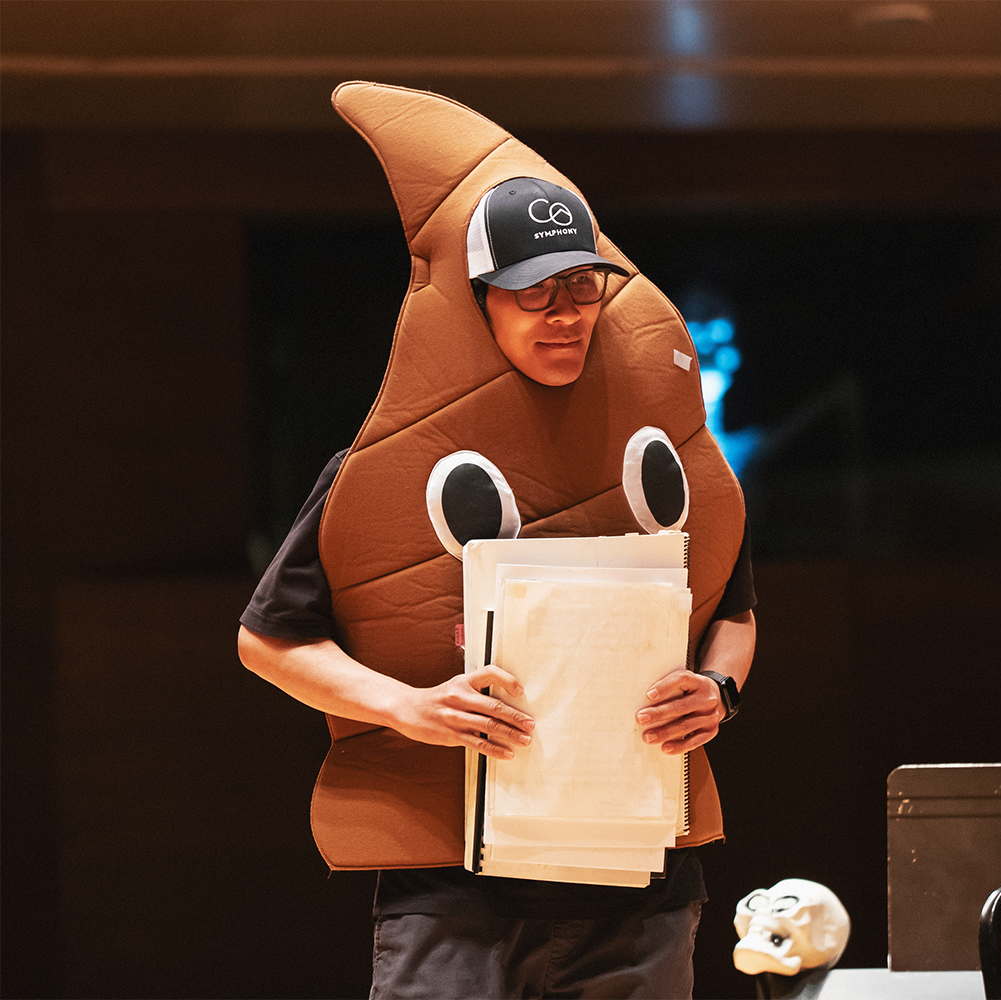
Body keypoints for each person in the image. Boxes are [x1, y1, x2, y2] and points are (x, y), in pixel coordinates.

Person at [237, 82, 753, 999]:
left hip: (638, 880)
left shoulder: (660, 450)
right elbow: (269, 640)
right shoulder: (384, 468)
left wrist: (717, 690)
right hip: (453, 891)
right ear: (481, 302)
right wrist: (409, 707)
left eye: (582, 286)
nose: (566, 313)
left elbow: (734, 609)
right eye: (534, 292)